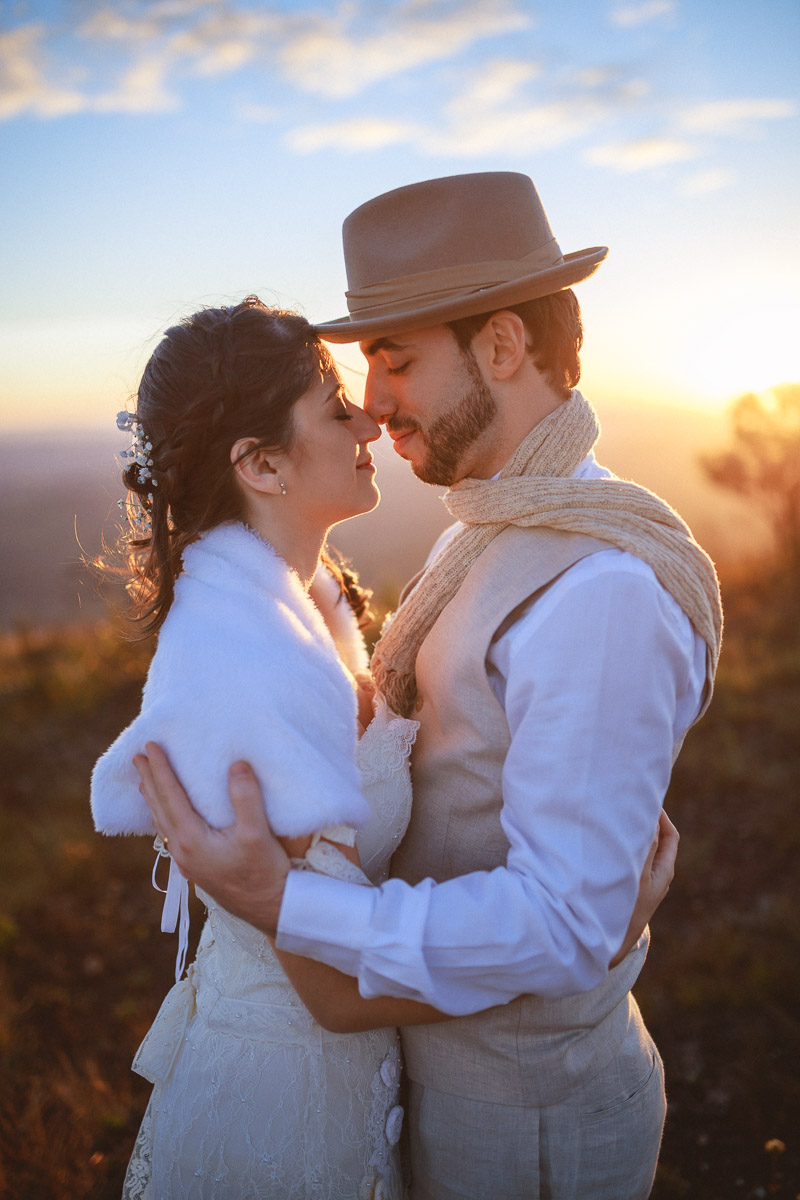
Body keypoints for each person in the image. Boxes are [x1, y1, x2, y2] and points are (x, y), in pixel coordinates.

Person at [135, 172, 722, 1199]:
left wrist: (284, 903)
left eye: (396, 360)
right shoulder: (490, 530)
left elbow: (558, 922)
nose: (371, 403)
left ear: (500, 347)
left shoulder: (598, 595)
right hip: (411, 1089)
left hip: (526, 1128)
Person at [91, 296, 455, 1198]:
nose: (370, 416)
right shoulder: (245, 664)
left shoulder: (302, 606)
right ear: (259, 464)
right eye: (335, 409)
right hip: (282, 1112)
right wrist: (574, 953)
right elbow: (333, 990)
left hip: (331, 1078)